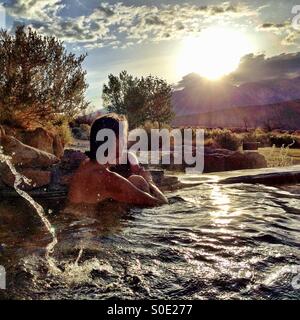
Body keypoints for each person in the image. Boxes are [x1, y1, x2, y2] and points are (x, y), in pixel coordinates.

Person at [68, 113, 168, 207]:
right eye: (124, 138)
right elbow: (161, 203)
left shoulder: (87, 165)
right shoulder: (108, 179)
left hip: (81, 220)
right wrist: (150, 181)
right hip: (86, 224)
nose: (126, 144)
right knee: (140, 182)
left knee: (136, 180)